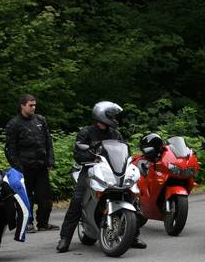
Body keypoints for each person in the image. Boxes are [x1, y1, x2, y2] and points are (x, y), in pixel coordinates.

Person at [56, 101, 146, 253]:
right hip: (90, 169)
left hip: (113, 171)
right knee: (77, 200)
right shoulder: (86, 133)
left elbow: (124, 152)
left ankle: (133, 236)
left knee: (131, 196)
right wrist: (92, 158)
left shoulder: (115, 134)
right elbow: (78, 154)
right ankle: (65, 238)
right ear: (102, 115)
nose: (114, 119)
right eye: (112, 116)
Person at [5, 94, 58, 233]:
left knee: (45, 197)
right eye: (30, 105)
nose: (33, 107)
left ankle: (43, 223)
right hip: (24, 167)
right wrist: (18, 167)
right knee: (26, 197)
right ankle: (27, 223)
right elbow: (10, 149)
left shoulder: (40, 120)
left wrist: (50, 160)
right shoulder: (14, 124)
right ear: (22, 106)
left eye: (34, 105)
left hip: (41, 165)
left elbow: (48, 142)